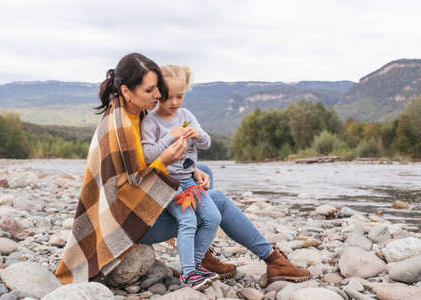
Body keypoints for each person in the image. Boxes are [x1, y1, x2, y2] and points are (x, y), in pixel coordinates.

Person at [56, 53, 310, 289]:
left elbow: (154, 162)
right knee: (217, 202)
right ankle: (269, 258)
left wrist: (194, 168)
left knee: (203, 170)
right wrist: (164, 159)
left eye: (159, 88)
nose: (159, 96)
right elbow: (126, 188)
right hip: (128, 223)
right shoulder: (118, 128)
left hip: (140, 205)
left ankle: (204, 252)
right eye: (150, 90)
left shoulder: (134, 110)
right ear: (127, 91)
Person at [141, 65, 220, 289]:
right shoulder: (151, 122)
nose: (174, 102)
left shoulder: (186, 116)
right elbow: (148, 156)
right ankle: (188, 273)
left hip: (190, 181)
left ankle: (194, 266)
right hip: (166, 184)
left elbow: (206, 143)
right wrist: (169, 137)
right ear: (157, 93)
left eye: (180, 96)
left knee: (213, 217)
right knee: (188, 220)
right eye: (168, 97)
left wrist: (199, 134)